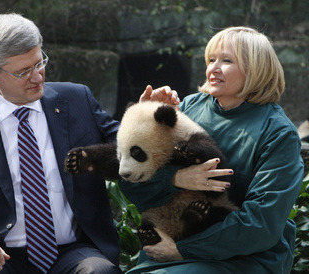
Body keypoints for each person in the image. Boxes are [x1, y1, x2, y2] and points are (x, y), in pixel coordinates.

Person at [0, 13, 177, 274]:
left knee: (99, 272)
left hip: (73, 250)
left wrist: (146, 120)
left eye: (39, 63)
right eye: (23, 71)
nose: (37, 77)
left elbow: (124, 149)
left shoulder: (77, 99)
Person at [127, 26, 304, 273]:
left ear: (255, 68)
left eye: (227, 60)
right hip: (170, 243)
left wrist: (183, 251)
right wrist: (145, 121)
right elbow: (131, 182)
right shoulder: (187, 108)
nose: (213, 68)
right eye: (211, 60)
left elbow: (261, 224)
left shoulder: (278, 132)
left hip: (242, 257)